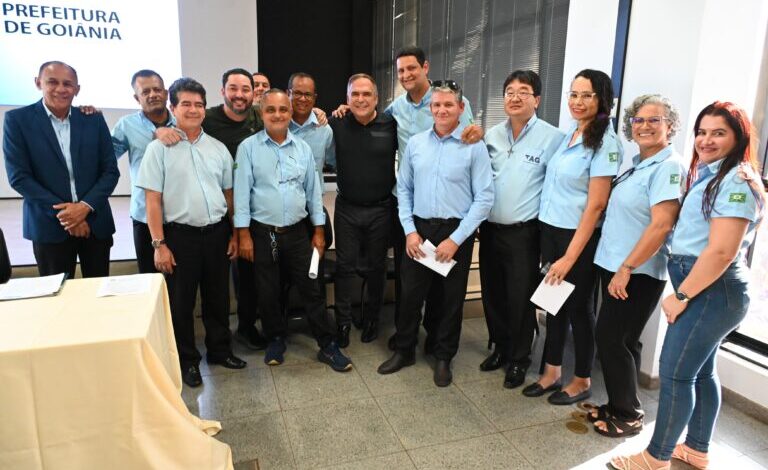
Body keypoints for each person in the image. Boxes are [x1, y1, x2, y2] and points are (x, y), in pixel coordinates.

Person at [610, 102, 763, 470]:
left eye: (718, 133)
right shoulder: (713, 173)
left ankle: (656, 457)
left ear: (739, 137)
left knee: (675, 373)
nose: (706, 140)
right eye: (702, 132)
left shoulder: (736, 180)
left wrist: (681, 295)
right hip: (704, 286)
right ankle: (696, 449)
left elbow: (722, 251)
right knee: (702, 371)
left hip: (712, 290)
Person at [377, 81, 493, 387]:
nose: (442, 110)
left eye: (448, 105)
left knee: (449, 300)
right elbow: (404, 189)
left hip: (456, 232)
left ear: (461, 108)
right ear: (430, 108)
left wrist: (456, 239)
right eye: (437, 105)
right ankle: (404, 350)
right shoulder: (416, 144)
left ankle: (443, 356)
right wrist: (410, 232)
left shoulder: (473, 146)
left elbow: (484, 198)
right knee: (410, 295)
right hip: (420, 229)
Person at [137, 77, 246, 388]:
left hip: (217, 233)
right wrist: (159, 244)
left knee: (218, 298)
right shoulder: (158, 149)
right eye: (186, 104)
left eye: (199, 104)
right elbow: (152, 201)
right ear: (173, 108)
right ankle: (187, 361)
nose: (194, 109)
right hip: (179, 237)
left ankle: (220, 351)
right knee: (182, 303)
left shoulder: (218, 149)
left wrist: (234, 233)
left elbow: (228, 195)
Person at [233, 89, 352, 372]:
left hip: (299, 233)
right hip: (264, 233)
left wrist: (319, 232)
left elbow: (313, 194)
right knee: (268, 291)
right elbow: (241, 194)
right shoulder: (248, 148)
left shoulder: (302, 149)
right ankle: (275, 339)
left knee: (312, 289)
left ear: (289, 113)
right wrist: (243, 235)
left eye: (283, 110)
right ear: (262, 113)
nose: (277, 115)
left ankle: (327, 345)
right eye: (271, 110)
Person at [522, 69, 620, 405]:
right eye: (573, 94)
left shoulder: (605, 142)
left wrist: (569, 257)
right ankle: (551, 372)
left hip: (578, 237)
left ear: (601, 99)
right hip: (551, 231)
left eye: (586, 95)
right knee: (554, 304)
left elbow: (596, 206)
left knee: (579, 309)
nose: (577, 101)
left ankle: (581, 379)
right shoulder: (571, 133)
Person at [590, 94, 686, 437]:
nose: (644, 126)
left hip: (637, 272)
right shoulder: (637, 164)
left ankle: (628, 414)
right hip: (616, 264)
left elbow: (661, 225)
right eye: (639, 120)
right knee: (625, 341)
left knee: (611, 338)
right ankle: (618, 404)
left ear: (670, 127)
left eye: (654, 120)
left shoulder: (668, 167)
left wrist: (627, 267)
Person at [479, 70, 564, 389]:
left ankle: (519, 358)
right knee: (493, 293)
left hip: (525, 233)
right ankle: (500, 348)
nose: (515, 97)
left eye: (523, 92)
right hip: (490, 229)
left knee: (520, 298)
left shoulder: (553, 138)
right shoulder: (491, 135)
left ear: (537, 99)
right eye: (509, 92)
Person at [3, 61, 119, 279]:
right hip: (48, 225)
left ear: (77, 89)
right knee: (56, 293)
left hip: (95, 223)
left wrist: (84, 207)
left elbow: (110, 171)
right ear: (38, 83)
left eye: (67, 84)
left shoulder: (93, 119)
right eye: (52, 82)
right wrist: (68, 216)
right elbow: (19, 177)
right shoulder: (17, 120)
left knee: (99, 291)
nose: (60, 89)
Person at [329, 73, 398, 345]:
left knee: (376, 269)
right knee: (344, 268)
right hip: (347, 208)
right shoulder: (337, 123)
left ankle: (372, 320)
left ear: (376, 98)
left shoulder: (391, 124)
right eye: (355, 94)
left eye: (366, 94)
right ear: (347, 99)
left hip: (381, 209)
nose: (360, 99)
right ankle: (343, 323)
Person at [202, 68, 266, 351]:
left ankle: (246, 327)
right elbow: (175, 121)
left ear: (253, 93)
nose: (239, 95)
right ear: (222, 91)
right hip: (215, 209)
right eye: (233, 88)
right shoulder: (207, 118)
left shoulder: (258, 117)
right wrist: (162, 129)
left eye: (245, 89)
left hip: (250, 209)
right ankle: (216, 338)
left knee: (248, 275)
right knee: (216, 279)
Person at [112, 69, 181, 274]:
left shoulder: (183, 120)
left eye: (157, 90)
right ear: (137, 97)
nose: (153, 95)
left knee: (180, 281)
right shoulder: (126, 125)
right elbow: (105, 158)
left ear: (166, 93)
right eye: (145, 92)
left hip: (179, 217)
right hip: (144, 216)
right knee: (149, 278)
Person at [288, 72, 335, 182]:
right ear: (288, 94)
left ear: (314, 98)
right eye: (297, 93)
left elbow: (335, 163)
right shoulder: (278, 127)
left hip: (314, 193)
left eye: (308, 94)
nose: (303, 99)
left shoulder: (325, 130)